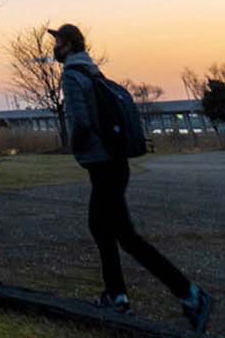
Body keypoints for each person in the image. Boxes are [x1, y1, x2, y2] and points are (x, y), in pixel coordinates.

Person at [49, 24, 213, 332]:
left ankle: (190, 294)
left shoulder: (72, 76)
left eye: (57, 41)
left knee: (125, 236)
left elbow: (81, 121)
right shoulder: (95, 74)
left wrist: (75, 147)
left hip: (102, 163)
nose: (53, 47)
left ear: (69, 45)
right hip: (115, 162)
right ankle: (117, 296)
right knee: (103, 227)